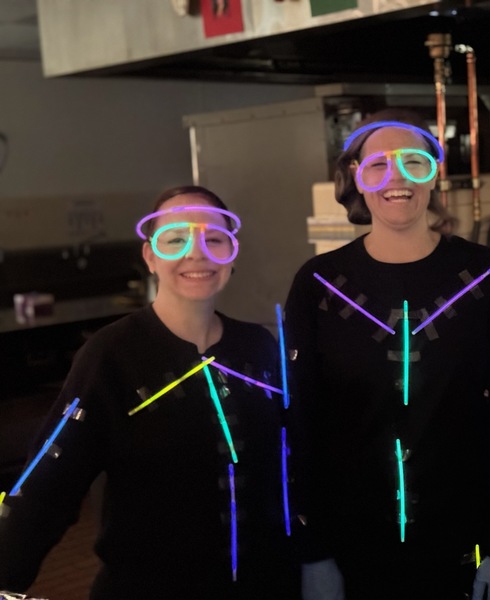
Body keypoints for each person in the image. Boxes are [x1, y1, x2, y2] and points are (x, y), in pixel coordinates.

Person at [282, 108, 490, 600]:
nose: (396, 178)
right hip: (354, 543)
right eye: (378, 165)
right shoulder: (317, 283)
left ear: (434, 173)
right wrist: (312, 550)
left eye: (413, 162)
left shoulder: (487, 274)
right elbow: (299, 423)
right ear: (356, 176)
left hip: (467, 540)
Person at [0, 186, 300, 599]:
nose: (196, 254)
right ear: (150, 257)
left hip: (265, 589)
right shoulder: (111, 355)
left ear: (232, 254)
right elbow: (49, 484)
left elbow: (289, 470)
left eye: (213, 239)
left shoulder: (259, 347)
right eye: (175, 240)